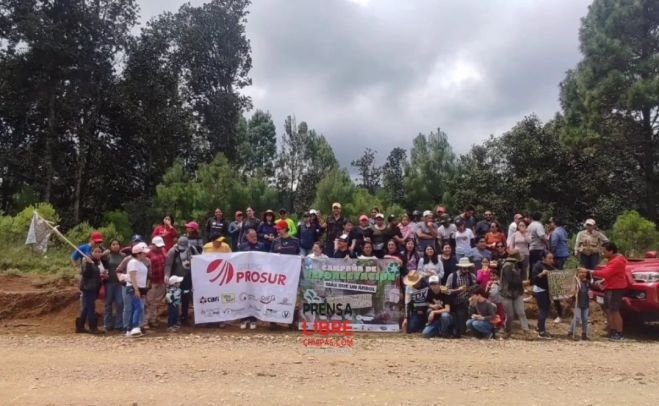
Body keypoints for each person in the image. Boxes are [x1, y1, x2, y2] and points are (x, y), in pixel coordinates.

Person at [580, 242, 627, 341]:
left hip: (616, 288)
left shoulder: (617, 261)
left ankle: (619, 333)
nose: (603, 253)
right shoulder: (614, 260)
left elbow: (606, 273)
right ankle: (613, 332)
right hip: (611, 287)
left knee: (615, 311)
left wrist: (589, 271)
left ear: (611, 251)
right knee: (610, 310)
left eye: (605, 251)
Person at [165, 237, 199, 326]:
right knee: (175, 297)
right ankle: (174, 319)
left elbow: (199, 260)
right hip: (176, 277)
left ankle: (184, 316)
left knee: (186, 296)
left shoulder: (192, 249)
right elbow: (168, 264)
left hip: (187, 276)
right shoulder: (173, 251)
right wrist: (167, 275)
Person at [499, 250, 530, 339]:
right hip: (507, 292)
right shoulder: (507, 267)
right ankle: (507, 330)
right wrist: (522, 283)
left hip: (517, 292)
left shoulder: (516, 266)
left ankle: (526, 331)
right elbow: (510, 280)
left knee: (521, 312)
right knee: (510, 315)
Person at [445, 257, 477, 338]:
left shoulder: (472, 276)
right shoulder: (452, 276)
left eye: (467, 267)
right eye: (464, 267)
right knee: (460, 321)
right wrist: (457, 290)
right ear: (460, 267)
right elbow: (446, 291)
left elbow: (476, 288)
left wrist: (470, 289)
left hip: (468, 302)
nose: (466, 269)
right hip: (456, 303)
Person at [76, 245, 104, 334]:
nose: (97, 253)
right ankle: (93, 328)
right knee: (91, 308)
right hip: (88, 288)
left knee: (86, 308)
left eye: (99, 252)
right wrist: (88, 264)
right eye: (95, 251)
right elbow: (85, 274)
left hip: (93, 288)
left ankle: (80, 327)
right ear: (92, 253)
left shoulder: (96, 262)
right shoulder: (88, 262)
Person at [126, 242, 151, 337]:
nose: (145, 254)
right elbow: (133, 276)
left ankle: (129, 329)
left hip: (140, 287)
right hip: (134, 287)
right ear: (138, 254)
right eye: (143, 253)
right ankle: (135, 327)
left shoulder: (139, 263)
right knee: (138, 307)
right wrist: (136, 289)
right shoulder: (133, 263)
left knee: (135, 308)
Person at [532, 252, 556, 339]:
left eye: (552, 258)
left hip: (547, 290)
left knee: (545, 309)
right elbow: (533, 279)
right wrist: (541, 274)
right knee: (543, 310)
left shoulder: (551, 267)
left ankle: (539, 327)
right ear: (544, 258)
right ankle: (541, 331)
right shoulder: (538, 266)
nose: (551, 260)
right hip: (540, 290)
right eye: (549, 258)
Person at [145, 236, 168, 329]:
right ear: (153, 245)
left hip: (161, 280)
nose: (159, 248)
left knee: (156, 301)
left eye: (160, 246)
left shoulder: (163, 250)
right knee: (149, 301)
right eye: (157, 246)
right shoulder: (147, 253)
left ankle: (153, 319)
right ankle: (145, 321)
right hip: (152, 281)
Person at [103, 239, 125, 332]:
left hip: (120, 283)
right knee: (108, 304)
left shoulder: (123, 256)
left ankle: (119, 324)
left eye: (117, 244)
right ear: (110, 246)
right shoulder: (107, 256)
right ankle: (108, 324)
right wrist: (103, 255)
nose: (115, 246)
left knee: (120, 303)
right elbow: (102, 265)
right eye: (113, 244)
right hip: (109, 283)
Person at [568, 269, 592, 340]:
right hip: (577, 302)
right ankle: (571, 331)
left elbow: (590, 290)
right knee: (577, 318)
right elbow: (572, 290)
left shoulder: (588, 282)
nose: (583, 274)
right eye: (581, 272)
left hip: (585, 302)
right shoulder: (575, 281)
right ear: (578, 273)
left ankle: (584, 333)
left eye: (585, 272)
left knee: (585, 318)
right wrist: (574, 291)